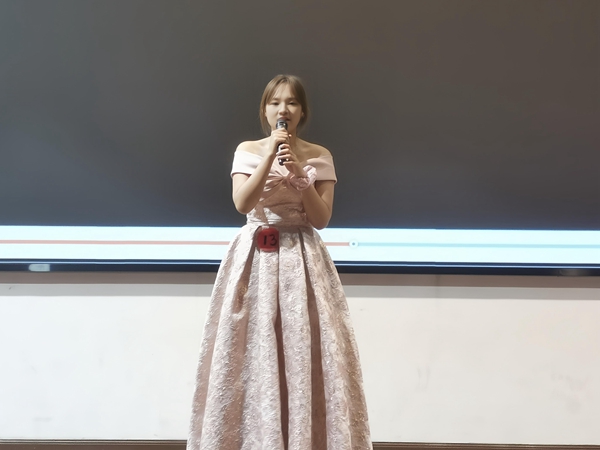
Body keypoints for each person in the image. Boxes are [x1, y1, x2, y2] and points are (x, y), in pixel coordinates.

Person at [187, 75, 372, 450]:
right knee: (251, 348)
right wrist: (269, 155)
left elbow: (320, 219)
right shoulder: (248, 150)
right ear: (265, 109)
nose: (282, 109)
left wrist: (302, 180)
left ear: (302, 111)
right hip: (255, 260)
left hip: (302, 259)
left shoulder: (319, 155)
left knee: (303, 349)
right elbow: (242, 203)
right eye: (274, 102)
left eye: (291, 102)